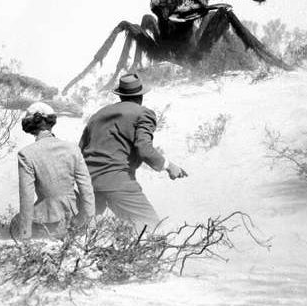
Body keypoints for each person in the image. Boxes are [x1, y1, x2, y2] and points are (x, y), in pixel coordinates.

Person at [79, 73, 187, 230]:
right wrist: (169, 166)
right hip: (117, 182)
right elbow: (144, 148)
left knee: (85, 234)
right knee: (152, 230)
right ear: (140, 96)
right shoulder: (143, 113)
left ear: (121, 95)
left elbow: (80, 151)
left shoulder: (98, 115)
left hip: (89, 183)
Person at [11, 102, 95, 239]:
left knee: (14, 222)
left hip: (49, 224)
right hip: (75, 219)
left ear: (30, 126)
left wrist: (25, 234)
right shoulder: (72, 149)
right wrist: (90, 225)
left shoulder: (26, 154)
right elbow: (86, 188)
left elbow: (26, 197)